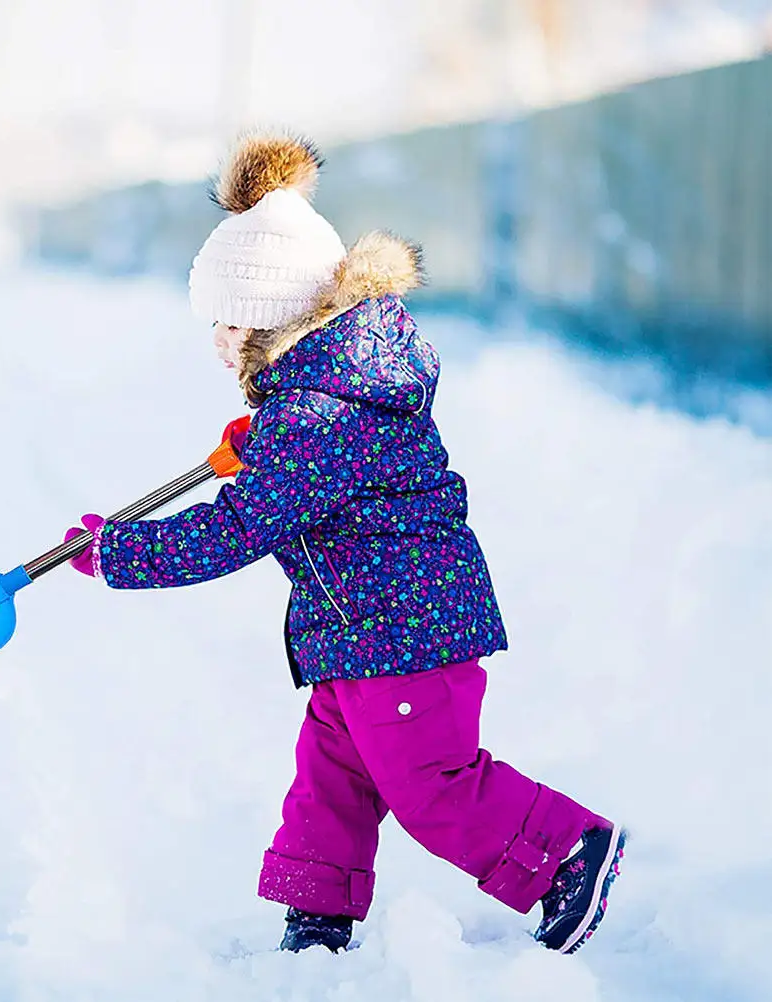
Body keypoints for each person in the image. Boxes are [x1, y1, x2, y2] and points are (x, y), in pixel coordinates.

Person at [65, 133, 625, 955]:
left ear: (278, 320)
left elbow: (240, 526)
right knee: (333, 775)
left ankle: (568, 854)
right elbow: (302, 480)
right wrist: (265, 445)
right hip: (361, 630)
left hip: (404, 630)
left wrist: (123, 553)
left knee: (431, 787)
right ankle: (319, 912)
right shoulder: (320, 398)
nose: (219, 343)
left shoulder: (318, 415)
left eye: (231, 324)